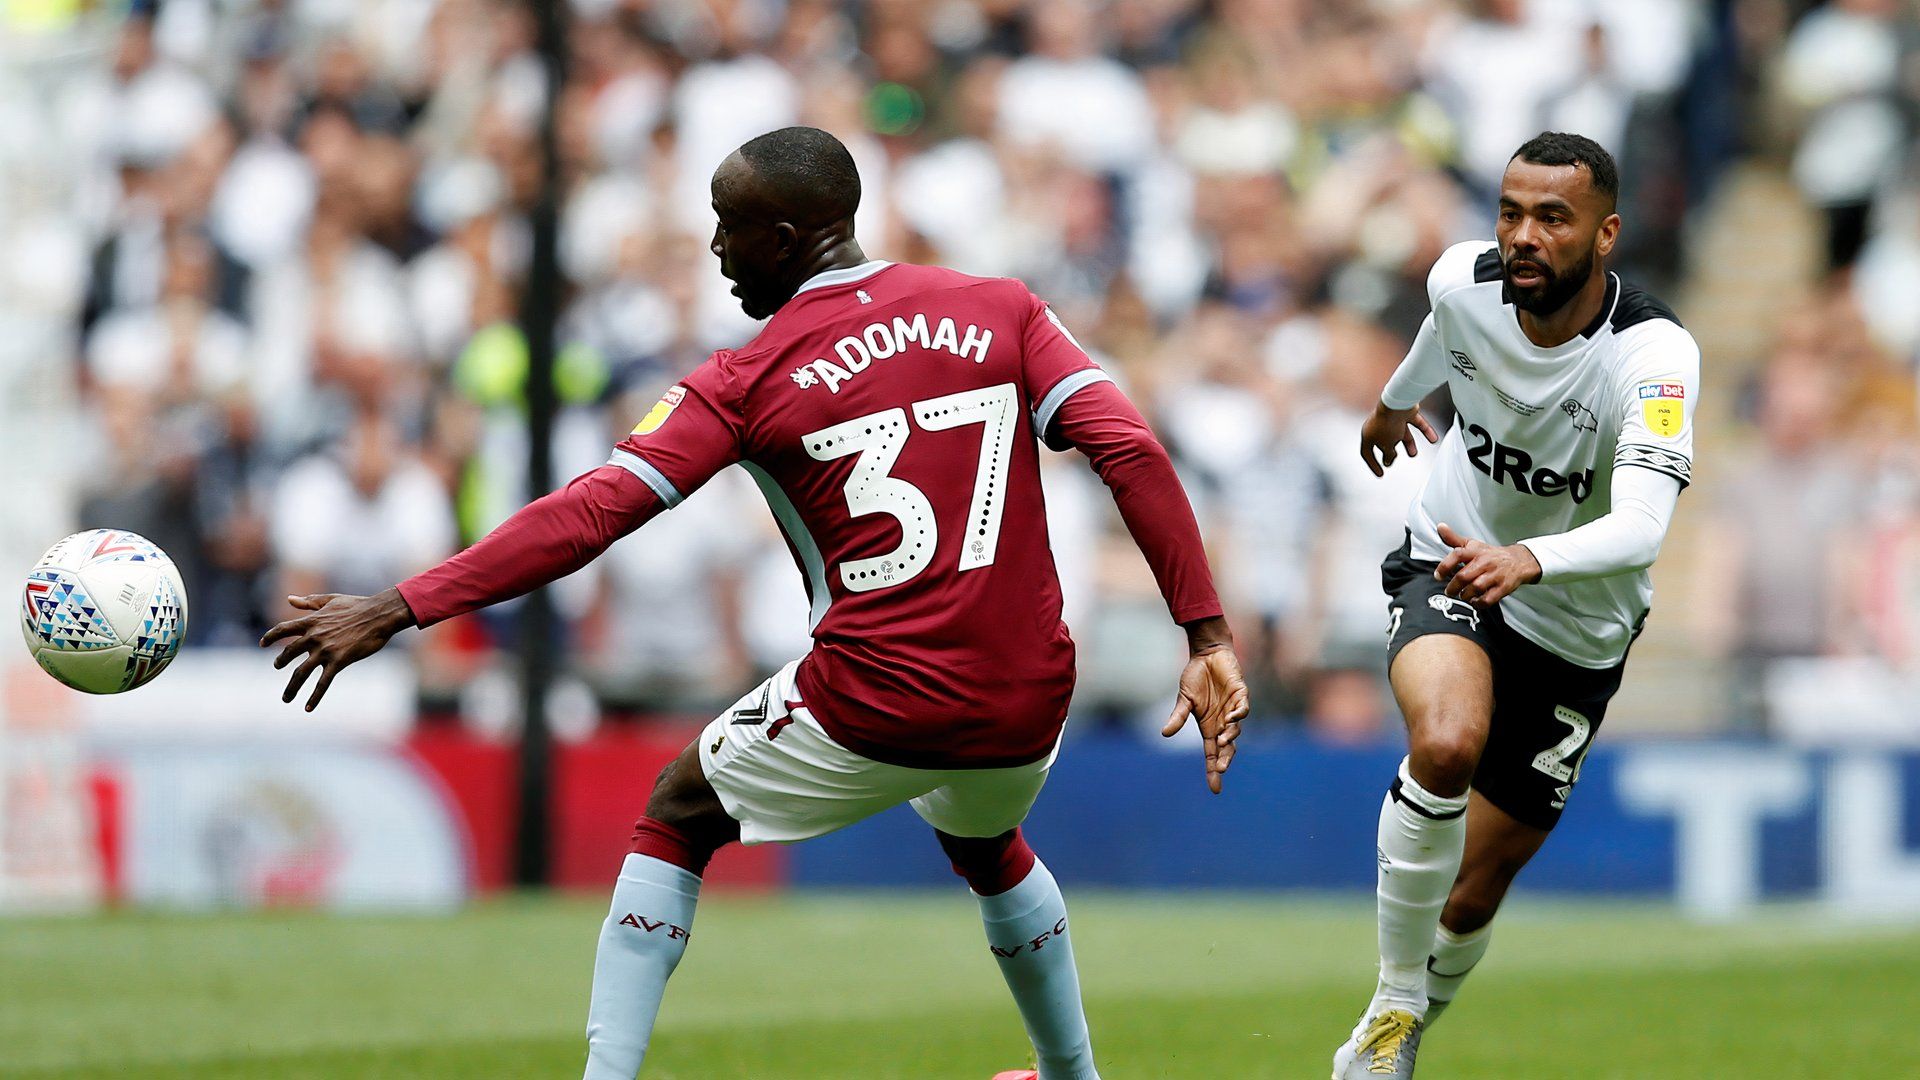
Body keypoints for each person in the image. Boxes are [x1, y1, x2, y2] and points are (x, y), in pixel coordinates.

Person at [260, 126, 1249, 1080]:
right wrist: (1203, 629)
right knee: (987, 842)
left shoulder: (744, 378)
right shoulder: (1001, 308)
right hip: (1030, 701)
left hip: (878, 697)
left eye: (729, 224)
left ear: (787, 239)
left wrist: (401, 604)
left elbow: (592, 513)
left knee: (678, 812)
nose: (717, 248)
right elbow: (1132, 450)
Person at [1333, 132, 1698, 1078]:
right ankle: (1391, 1019)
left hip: (1576, 623)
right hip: (1451, 559)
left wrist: (1529, 559)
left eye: (1551, 217)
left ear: (1606, 233)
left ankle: (1404, 1009)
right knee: (1446, 743)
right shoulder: (1463, 280)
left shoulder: (1653, 357)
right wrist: (1391, 402)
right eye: (1510, 212)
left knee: (1472, 892)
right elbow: (1441, 335)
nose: (1523, 236)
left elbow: (1644, 526)